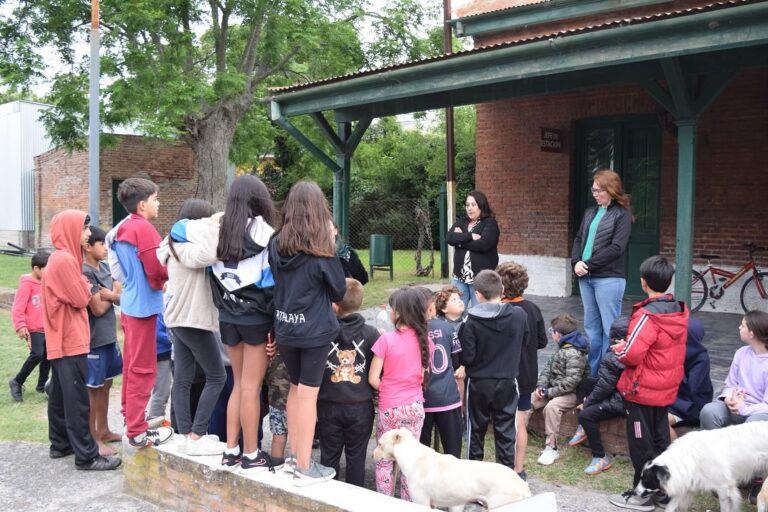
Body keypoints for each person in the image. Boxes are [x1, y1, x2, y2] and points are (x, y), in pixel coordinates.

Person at [181, 176, 277, 471]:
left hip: (227, 318)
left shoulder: (214, 230)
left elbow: (178, 229)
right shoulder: (266, 233)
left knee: (238, 384)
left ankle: (231, 450)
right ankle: (251, 454)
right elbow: (271, 284)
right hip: (257, 319)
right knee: (251, 387)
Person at [268, 181, 347, 486]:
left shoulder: (276, 243)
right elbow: (340, 290)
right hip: (313, 332)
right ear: (318, 210)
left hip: (285, 327)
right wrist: (331, 244)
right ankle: (304, 466)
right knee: (309, 396)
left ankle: (294, 457)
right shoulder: (321, 252)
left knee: (296, 390)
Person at [609, 255, 688, 511]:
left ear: (643, 282)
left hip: (641, 390)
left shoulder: (647, 315)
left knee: (640, 444)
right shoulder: (679, 310)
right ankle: (665, 492)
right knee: (660, 441)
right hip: (665, 388)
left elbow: (632, 354)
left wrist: (620, 349)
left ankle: (641, 494)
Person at [42, 210, 121, 470]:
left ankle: (60, 443)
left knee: (60, 394)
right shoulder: (65, 260)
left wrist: (87, 286)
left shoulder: (61, 259)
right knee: (77, 398)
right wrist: (90, 287)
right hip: (69, 337)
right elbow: (80, 299)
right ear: (70, 230)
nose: (88, 234)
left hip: (61, 336)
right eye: (84, 229)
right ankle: (87, 456)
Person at [158, 198, 227, 456]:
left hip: (180, 319)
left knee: (184, 378)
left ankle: (185, 434)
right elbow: (210, 254)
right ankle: (196, 434)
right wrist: (212, 225)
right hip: (192, 320)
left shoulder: (172, 245)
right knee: (217, 376)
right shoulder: (186, 249)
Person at [108, 177, 173, 448]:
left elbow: (119, 270)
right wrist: (169, 275)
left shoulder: (120, 229)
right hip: (145, 306)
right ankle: (136, 430)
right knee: (144, 369)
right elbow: (155, 269)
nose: (159, 204)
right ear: (143, 204)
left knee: (131, 366)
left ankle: (130, 419)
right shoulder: (143, 228)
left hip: (131, 302)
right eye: (156, 199)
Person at [459, 270, 527, 472]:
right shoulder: (519, 315)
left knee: (475, 430)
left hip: (479, 382)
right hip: (507, 380)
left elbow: (467, 357)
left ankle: (473, 476)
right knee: (506, 431)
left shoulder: (470, 321)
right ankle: (505, 477)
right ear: (502, 289)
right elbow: (525, 342)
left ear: (477, 294)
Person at [369, 286, 429, 500]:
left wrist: (390, 390)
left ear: (399, 313)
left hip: (390, 406)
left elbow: (373, 379)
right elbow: (422, 376)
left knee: (385, 459)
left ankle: (385, 503)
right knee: (409, 460)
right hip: (415, 406)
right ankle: (407, 504)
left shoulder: (385, 340)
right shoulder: (425, 340)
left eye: (391, 307)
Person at [318, 278, 378, 487]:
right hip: (360, 405)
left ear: (334, 305)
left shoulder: (322, 331)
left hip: (328, 403)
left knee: (328, 457)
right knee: (356, 459)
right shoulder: (372, 333)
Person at [571, 170, 632, 377]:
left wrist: (587, 264)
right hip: (586, 277)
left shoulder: (622, 215)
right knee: (592, 330)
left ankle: (610, 375)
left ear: (611, 190)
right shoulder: (590, 212)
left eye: (599, 190)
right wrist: (576, 261)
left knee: (610, 331)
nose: (595, 194)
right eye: (593, 190)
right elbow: (579, 238)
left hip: (609, 278)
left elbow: (616, 248)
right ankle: (593, 375)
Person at [497, 261, 547, 480]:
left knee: (503, 422)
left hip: (503, 375)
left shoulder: (500, 310)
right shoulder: (532, 308)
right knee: (519, 422)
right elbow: (542, 341)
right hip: (526, 375)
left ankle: (502, 469)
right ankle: (518, 469)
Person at [83, 225, 124, 457]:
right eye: (101, 244)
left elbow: (119, 297)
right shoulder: (85, 272)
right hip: (94, 340)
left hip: (110, 338)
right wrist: (113, 294)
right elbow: (97, 308)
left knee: (106, 385)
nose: (105, 249)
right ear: (88, 247)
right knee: (93, 388)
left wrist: (112, 294)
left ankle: (104, 429)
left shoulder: (106, 268)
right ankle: (93, 438)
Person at [570, 316, 628, 475]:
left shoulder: (613, 357)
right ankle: (581, 428)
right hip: (620, 392)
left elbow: (605, 387)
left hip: (621, 400)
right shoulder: (634, 349)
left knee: (586, 415)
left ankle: (600, 457)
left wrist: (587, 402)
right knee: (586, 382)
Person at [531, 314, 589, 466]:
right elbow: (547, 370)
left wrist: (549, 393)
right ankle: (517, 436)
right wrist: (541, 387)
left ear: (558, 334)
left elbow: (572, 382)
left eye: (552, 330)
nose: (551, 333)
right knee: (528, 402)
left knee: (552, 407)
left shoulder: (574, 353)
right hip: (555, 389)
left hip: (572, 394)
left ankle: (552, 447)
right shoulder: (563, 348)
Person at [699, 310, 768, 430]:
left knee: (753, 424)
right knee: (709, 411)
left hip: (759, 412)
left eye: (743, 325)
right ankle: (715, 447)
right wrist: (728, 399)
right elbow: (730, 384)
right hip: (738, 406)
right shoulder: (741, 353)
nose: (739, 327)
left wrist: (744, 408)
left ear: (752, 333)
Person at [419, 287, 463, 459]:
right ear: (432, 307)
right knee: (453, 453)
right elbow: (457, 360)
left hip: (421, 399)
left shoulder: (412, 330)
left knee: (420, 454)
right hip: (447, 398)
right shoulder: (446, 327)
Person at [446, 190, 500, 308]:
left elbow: (483, 244)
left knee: (480, 313)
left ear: (481, 206)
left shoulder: (490, 223)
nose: (469, 208)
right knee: (455, 313)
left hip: (480, 280)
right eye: (467, 205)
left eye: (473, 205)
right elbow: (449, 238)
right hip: (459, 278)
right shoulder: (462, 222)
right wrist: (470, 236)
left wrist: (460, 242)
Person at [9, 250, 51, 401]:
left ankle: (42, 386)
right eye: (47, 269)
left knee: (48, 356)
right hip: (34, 328)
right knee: (37, 354)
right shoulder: (27, 284)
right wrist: (20, 326)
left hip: (48, 327)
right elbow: (17, 308)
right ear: (36, 269)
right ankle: (17, 381)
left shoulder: (47, 283)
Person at [668, 317, 712, 440]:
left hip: (690, 406)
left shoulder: (701, 359)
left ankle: (675, 456)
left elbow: (690, 388)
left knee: (660, 421)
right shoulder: (676, 352)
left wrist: (674, 367)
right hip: (673, 401)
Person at [146, 312, 172, 427]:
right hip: (160, 353)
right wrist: (175, 339)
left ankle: (157, 418)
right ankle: (155, 420)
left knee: (162, 389)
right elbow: (157, 333)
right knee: (162, 390)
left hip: (163, 352)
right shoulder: (155, 309)